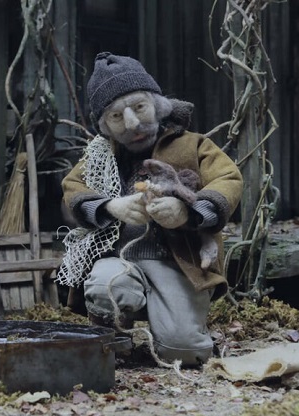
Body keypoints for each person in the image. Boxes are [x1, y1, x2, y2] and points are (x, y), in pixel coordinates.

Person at [58, 52, 243, 366]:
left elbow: (229, 179)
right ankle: (112, 340)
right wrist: (110, 206)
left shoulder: (193, 145)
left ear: (157, 104)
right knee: (104, 284)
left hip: (178, 263)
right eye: (116, 116)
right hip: (119, 259)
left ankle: (174, 326)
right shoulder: (99, 156)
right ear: (105, 125)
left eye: (139, 107)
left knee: (185, 353)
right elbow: (71, 190)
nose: (132, 124)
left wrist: (187, 212)